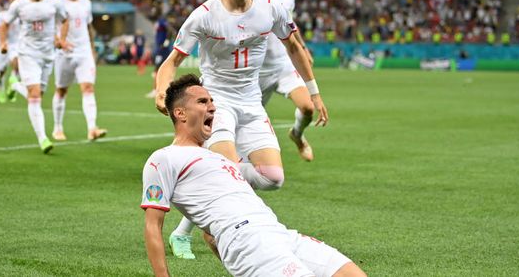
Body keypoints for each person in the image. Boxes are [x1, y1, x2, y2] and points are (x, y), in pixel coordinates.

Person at [155, 0, 328, 259]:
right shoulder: (204, 16)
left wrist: (314, 92)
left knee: (272, 178)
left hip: (251, 101)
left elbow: (293, 47)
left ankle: (210, 175)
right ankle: (209, 223)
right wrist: (162, 90)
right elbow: (172, 62)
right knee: (229, 176)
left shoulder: (271, 7)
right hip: (217, 102)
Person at [142, 75, 365, 277]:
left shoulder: (219, 158)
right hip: (248, 239)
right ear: (180, 113)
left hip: (278, 232)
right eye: (202, 102)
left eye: (212, 101)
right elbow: (153, 225)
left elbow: (210, 236)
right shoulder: (164, 159)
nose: (212, 107)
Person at [255, 0, 316, 161]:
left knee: (308, 107)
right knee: (249, 122)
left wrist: (303, 48)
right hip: (258, 71)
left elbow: (290, 24)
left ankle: (297, 135)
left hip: (284, 65)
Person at [0, 0, 69, 154]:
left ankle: (14, 86)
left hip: (48, 54)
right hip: (27, 53)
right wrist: (3, 43)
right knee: (35, 94)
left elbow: (65, 20)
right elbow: (4, 23)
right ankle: (43, 138)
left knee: (38, 94)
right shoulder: (19, 4)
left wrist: (61, 39)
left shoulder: (54, 1)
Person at [51, 0, 107, 141]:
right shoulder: (57, 2)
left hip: (83, 52)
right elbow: (50, 25)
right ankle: (57, 128)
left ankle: (92, 129)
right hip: (64, 53)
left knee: (88, 88)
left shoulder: (86, 3)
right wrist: (57, 41)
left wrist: (92, 49)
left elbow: (88, 27)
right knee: (61, 90)